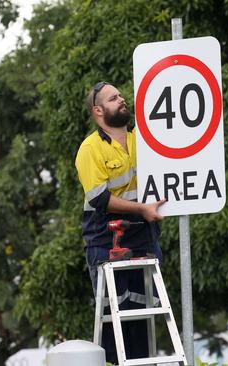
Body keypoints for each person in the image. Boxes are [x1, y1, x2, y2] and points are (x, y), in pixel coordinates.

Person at [75, 81, 166, 363]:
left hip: (142, 233)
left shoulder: (143, 139)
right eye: (113, 98)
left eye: (121, 95)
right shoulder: (90, 149)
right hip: (106, 237)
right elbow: (100, 198)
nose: (122, 99)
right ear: (98, 111)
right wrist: (142, 209)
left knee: (143, 313)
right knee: (115, 317)